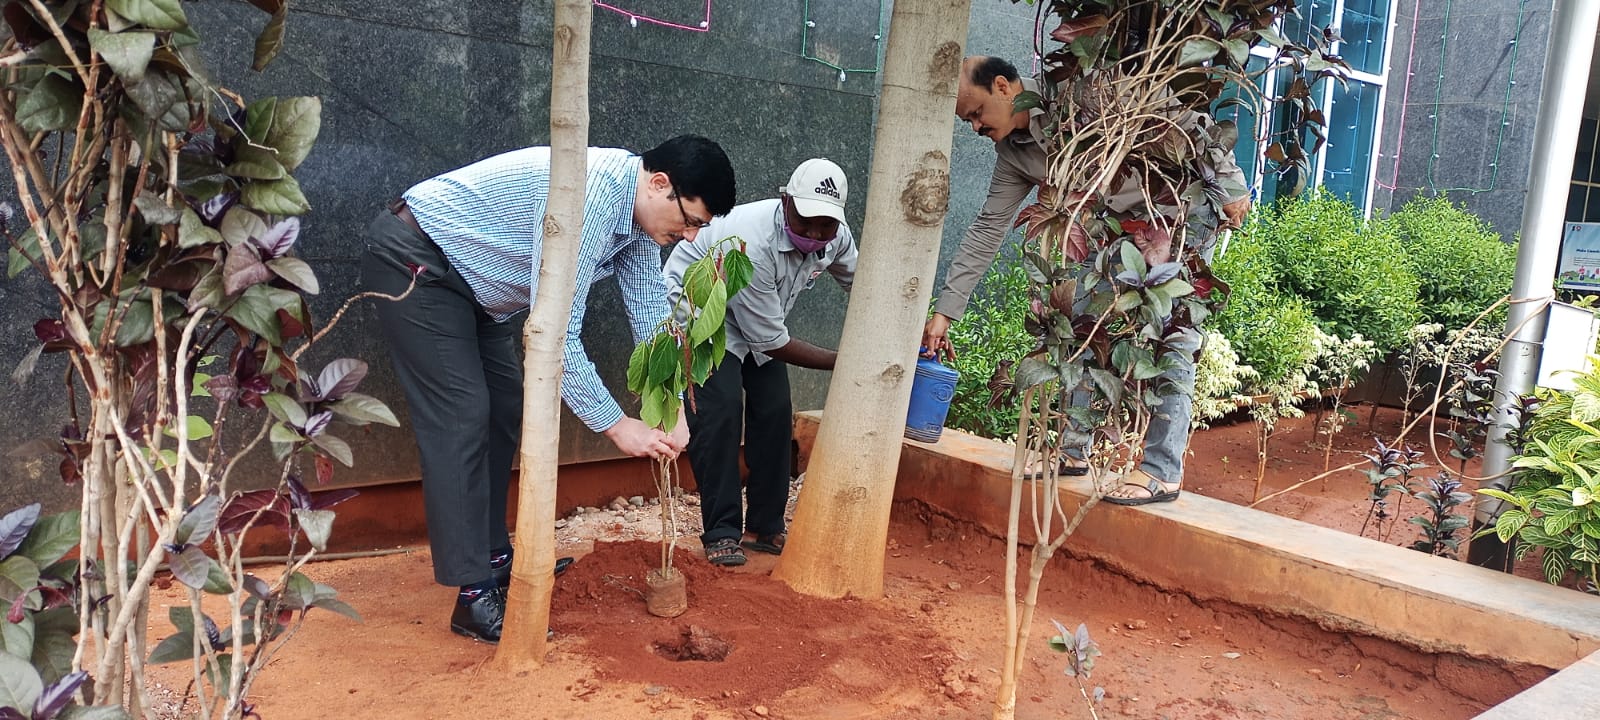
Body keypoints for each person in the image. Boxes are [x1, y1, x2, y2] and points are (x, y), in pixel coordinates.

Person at [362, 135, 737, 642]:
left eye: (700, 228)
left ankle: (495, 560)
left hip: (480, 287)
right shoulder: (591, 199)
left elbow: (650, 308)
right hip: (419, 260)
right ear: (658, 183)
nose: (690, 237)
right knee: (462, 416)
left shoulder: (640, 220)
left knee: (503, 407)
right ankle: (473, 596)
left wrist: (671, 406)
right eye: (690, 220)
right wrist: (615, 425)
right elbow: (557, 334)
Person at [920, 56, 1250, 506]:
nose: (976, 127)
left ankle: (1162, 470)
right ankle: (1072, 450)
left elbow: (1185, 119)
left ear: (1002, 86)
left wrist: (1230, 183)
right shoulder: (1014, 153)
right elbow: (987, 228)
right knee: (1082, 323)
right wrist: (945, 313)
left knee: (1172, 334)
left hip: (1178, 211)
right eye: (968, 121)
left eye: (977, 112)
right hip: (1113, 225)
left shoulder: (1077, 93)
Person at [663, 159, 858, 567]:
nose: (815, 234)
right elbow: (772, 341)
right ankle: (722, 531)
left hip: (758, 319)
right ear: (785, 202)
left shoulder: (835, 238)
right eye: (806, 221)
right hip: (700, 316)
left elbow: (863, 284)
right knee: (720, 412)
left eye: (826, 224)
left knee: (774, 410)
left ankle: (765, 526)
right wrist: (847, 362)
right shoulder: (752, 241)